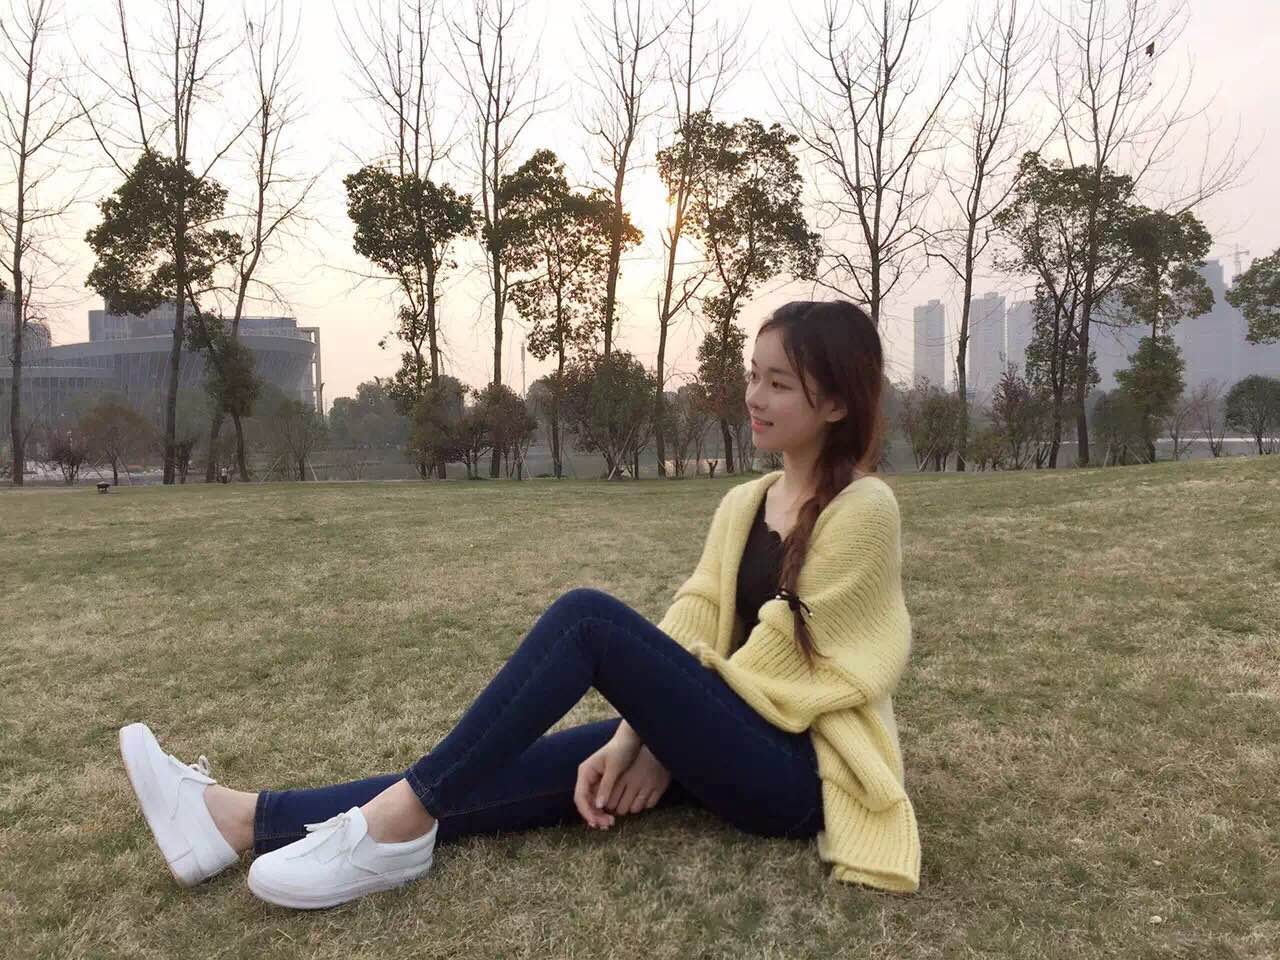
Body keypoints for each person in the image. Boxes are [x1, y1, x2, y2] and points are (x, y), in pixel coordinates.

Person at [118, 300, 919, 910]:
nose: (754, 395)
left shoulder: (864, 509)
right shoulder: (745, 501)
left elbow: (786, 665)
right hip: (723, 738)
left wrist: (661, 739)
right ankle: (240, 820)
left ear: (836, 404)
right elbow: (690, 624)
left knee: (587, 621)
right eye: (752, 374)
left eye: (779, 383)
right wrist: (643, 733)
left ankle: (393, 830)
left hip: (797, 775)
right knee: (504, 769)